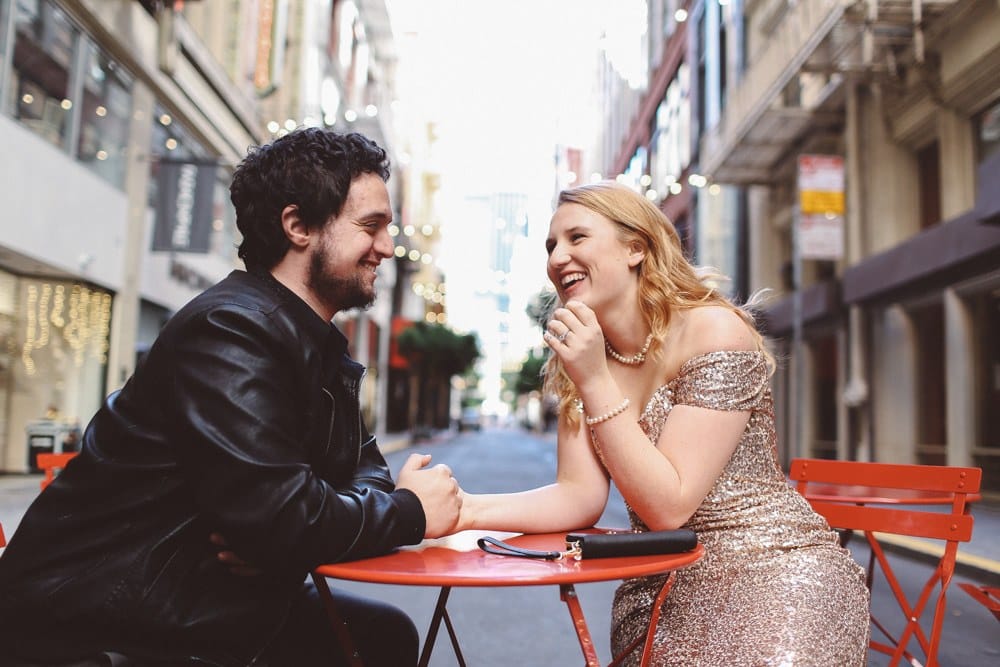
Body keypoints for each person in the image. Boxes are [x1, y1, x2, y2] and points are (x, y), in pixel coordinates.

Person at [0, 128, 462, 667]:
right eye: (370, 226)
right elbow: (287, 519)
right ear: (298, 226)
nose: (385, 247)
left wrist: (289, 531)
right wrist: (410, 512)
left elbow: (362, 475)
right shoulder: (230, 330)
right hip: (100, 623)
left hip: (205, 600)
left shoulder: (317, 346)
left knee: (380, 635)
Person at [456, 181, 870, 665]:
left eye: (576, 238)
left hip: (777, 571)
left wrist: (594, 379)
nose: (557, 257)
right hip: (660, 583)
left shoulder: (712, 329)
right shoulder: (581, 357)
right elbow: (578, 496)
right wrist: (464, 509)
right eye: (551, 246)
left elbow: (668, 506)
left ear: (635, 248)